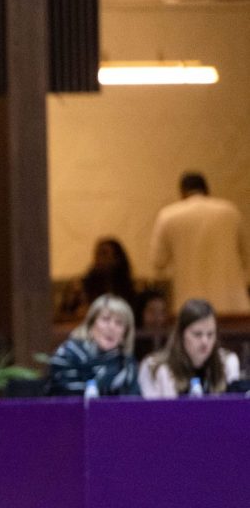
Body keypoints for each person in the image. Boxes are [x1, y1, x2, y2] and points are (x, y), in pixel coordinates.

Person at [149, 171, 250, 315]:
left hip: (190, 305)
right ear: (207, 190)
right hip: (233, 304)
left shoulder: (168, 215)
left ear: (182, 193)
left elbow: (158, 262)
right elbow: (245, 256)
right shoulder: (230, 211)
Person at [138, 298, 242, 398]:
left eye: (210, 334)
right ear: (181, 335)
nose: (205, 341)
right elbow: (151, 413)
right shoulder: (153, 367)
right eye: (197, 334)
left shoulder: (227, 362)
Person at [46, 294, 139, 396]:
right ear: (90, 325)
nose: (112, 327)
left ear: (125, 334)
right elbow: (62, 397)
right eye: (105, 319)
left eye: (119, 323)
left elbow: (136, 406)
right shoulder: (67, 355)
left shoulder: (127, 365)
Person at [68, 238, 139, 322]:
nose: (99, 258)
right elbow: (60, 317)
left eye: (104, 254)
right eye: (97, 254)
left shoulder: (129, 288)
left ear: (117, 259)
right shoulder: (79, 286)